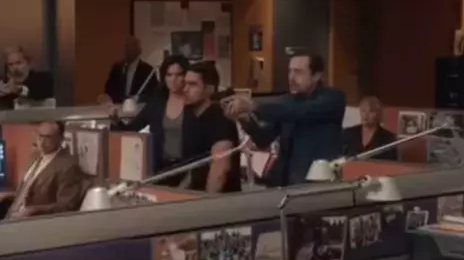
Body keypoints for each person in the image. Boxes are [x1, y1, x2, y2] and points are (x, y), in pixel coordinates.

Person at [224, 53, 346, 186]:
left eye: (298, 72)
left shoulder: (333, 99)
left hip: (317, 181)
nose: (291, 78)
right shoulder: (289, 102)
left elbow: (299, 111)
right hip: (286, 183)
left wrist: (254, 105)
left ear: (316, 76)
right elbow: (263, 139)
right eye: (290, 71)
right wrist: (244, 118)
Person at [0, 121, 89, 220]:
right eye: (39, 136)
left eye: (48, 138)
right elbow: (29, 191)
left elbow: (66, 207)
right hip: (12, 210)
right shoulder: (36, 156)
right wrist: (7, 195)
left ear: (61, 138)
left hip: (30, 220)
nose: (41, 142)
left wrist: (34, 210)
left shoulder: (68, 166)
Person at [107, 55, 200, 185]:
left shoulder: (194, 103)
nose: (173, 79)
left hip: (188, 168)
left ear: (186, 76)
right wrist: (115, 120)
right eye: (169, 75)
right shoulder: (157, 103)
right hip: (160, 169)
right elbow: (132, 130)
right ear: (164, 77)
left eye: (179, 75)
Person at [182, 62, 241, 193]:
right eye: (185, 84)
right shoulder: (190, 116)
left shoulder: (220, 118)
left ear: (209, 89)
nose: (185, 89)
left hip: (221, 199)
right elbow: (192, 168)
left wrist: (207, 202)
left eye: (192, 84)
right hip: (196, 195)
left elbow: (219, 171)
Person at [104, 37, 158, 104]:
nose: (127, 51)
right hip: (118, 106)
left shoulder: (148, 70)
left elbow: (153, 93)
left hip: (139, 107)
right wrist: (107, 98)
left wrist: (137, 98)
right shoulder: (117, 68)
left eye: (130, 47)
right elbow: (109, 89)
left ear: (139, 51)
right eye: (126, 47)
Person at [342, 96, 397, 160]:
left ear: (379, 114)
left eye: (371, 111)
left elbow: (391, 163)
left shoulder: (388, 138)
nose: (365, 115)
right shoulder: (348, 133)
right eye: (363, 111)